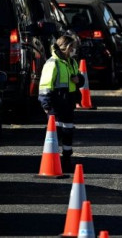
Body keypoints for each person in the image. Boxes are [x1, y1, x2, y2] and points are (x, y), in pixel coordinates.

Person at [38, 34, 84, 169]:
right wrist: (46, 104)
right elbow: (45, 85)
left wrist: (79, 80)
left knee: (68, 131)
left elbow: (78, 78)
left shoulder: (72, 62)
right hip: (56, 104)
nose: (74, 50)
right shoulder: (53, 63)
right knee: (55, 134)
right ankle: (53, 161)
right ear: (67, 48)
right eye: (72, 48)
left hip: (68, 103)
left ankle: (66, 159)